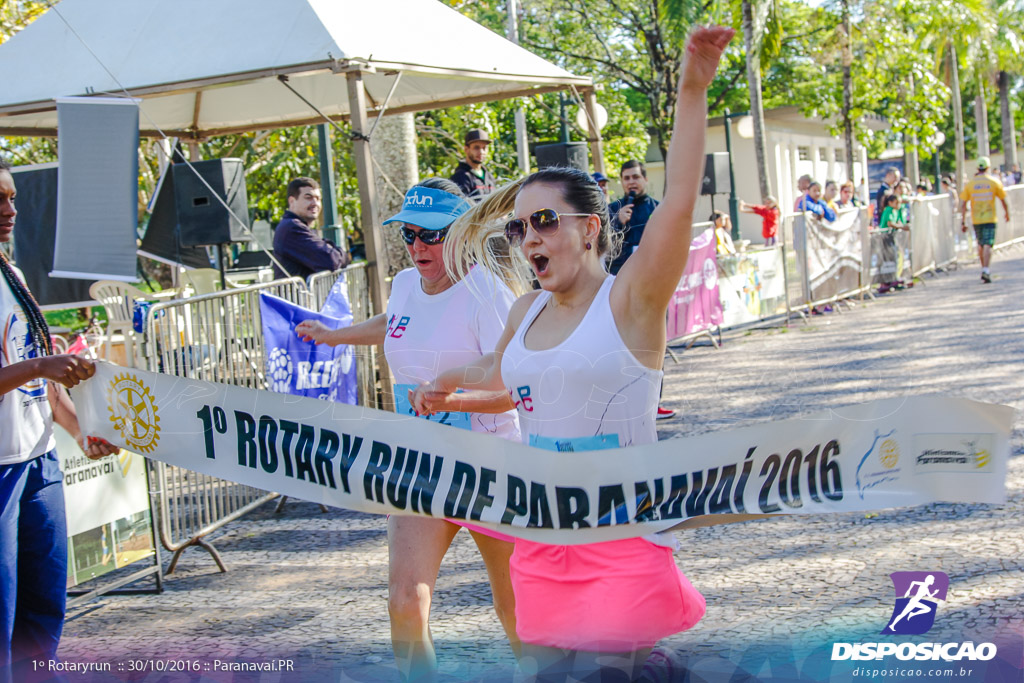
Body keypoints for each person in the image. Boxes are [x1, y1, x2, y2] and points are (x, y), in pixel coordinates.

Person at [410, 26, 734, 682]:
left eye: (546, 221)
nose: (530, 236)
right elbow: (503, 378)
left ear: (589, 229)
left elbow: (676, 203)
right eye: (519, 226)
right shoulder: (527, 308)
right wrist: (447, 383)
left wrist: (693, 92)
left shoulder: (631, 301)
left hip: (621, 538)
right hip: (543, 539)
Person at [295, 178, 524, 682]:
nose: (418, 246)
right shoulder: (404, 284)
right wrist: (335, 337)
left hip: (491, 467)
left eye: (432, 235)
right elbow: (394, 320)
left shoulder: (487, 292)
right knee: (404, 601)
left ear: (462, 235)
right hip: (420, 466)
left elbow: (519, 389)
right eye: (409, 235)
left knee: (517, 610)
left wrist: (454, 399)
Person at [0, 158, 119, 682]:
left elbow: (38, 381)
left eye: (12, 198)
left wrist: (77, 428)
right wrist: (39, 364)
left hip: (38, 463)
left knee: (44, 606)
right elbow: (34, 365)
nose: (10, 211)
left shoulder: (13, 274)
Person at [607, 160, 675, 420]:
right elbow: (607, 254)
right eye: (626, 178)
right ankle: (624, 402)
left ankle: (653, 403)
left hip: (653, 289)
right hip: (621, 287)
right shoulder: (613, 210)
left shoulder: (658, 210)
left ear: (645, 179)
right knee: (619, 347)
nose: (631, 182)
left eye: (636, 177)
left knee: (653, 347)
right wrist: (617, 224)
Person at [272, 177, 351, 280]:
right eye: (308, 197)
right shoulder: (292, 228)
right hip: (299, 295)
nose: (315, 203)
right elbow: (331, 260)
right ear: (292, 201)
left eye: (318, 198)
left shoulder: (296, 225)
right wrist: (343, 255)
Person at [960, 156, 1010, 284]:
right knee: (988, 243)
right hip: (990, 217)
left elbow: (963, 204)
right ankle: (986, 270)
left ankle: (984, 268)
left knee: (981, 244)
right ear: (988, 167)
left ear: (977, 168)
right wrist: (1007, 213)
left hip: (976, 218)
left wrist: (963, 221)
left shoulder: (971, 184)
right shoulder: (993, 182)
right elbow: (1003, 199)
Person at [449, 129, 497, 200]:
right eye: (476, 148)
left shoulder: (489, 177)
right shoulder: (460, 178)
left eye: (484, 148)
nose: (481, 152)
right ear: (466, 149)